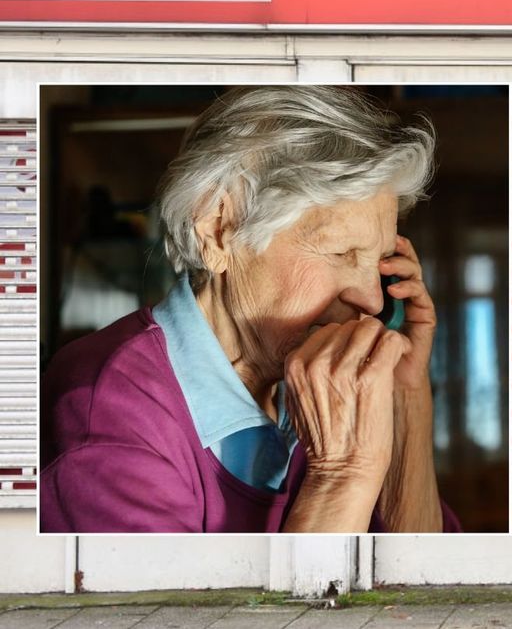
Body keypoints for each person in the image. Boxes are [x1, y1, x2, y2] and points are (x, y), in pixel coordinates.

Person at [41, 85, 460, 533]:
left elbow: (421, 588)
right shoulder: (109, 412)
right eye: (341, 253)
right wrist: (341, 475)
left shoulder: (319, 378)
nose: (374, 301)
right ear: (220, 232)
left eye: (377, 263)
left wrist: (404, 393)